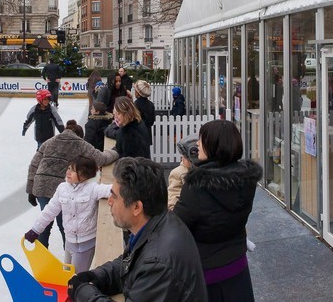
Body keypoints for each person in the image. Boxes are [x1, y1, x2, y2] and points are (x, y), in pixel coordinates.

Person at [67, 157, 207, 302]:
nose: (109, 201)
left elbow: (144, 265)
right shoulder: (157, 224)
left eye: (114, 196)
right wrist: (96, 277)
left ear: (136, 207)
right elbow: (131, 262)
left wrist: (83, 293)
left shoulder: (157, 263)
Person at [173, 120, 261, 300]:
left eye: (202, 140)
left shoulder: (197, 186)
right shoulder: (247, 179)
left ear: (214, 145)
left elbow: (177, 226)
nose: (197, 144)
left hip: (207, 273)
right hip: (238, 266)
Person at [27, 122, 119, 249]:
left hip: (41, 185)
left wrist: (30, 189)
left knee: (46, 219)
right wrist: (116, 152)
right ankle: (70, 251)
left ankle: (42, 257)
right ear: (80, 135)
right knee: (64, 224)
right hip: (61, 187)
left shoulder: (50, 141)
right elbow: (101, 159)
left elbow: (34, 164)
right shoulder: (79, 143)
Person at [27, 154, 113, 273]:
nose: (68, 172)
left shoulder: (92, 188)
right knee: (66, 274)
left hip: (85, 244)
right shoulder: (62, 188)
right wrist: (35, 230)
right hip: (69, 241)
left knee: (76, 278)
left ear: (85, 175)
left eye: (73, 170)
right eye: (69, 168)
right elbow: (49, 210)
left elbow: (110, 190)